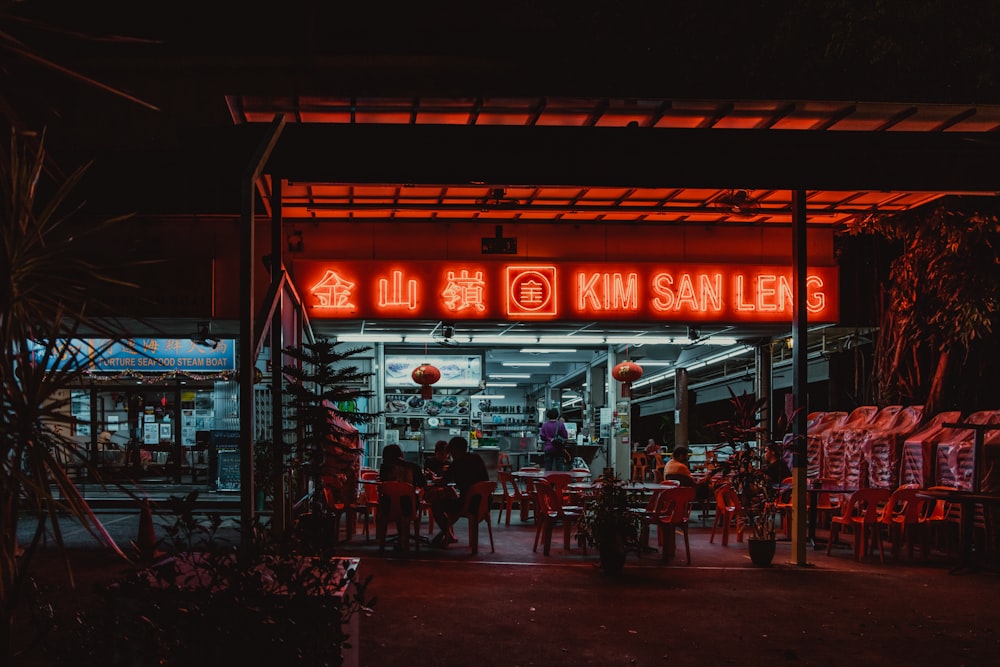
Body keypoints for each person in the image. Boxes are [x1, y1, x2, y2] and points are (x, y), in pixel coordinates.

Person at [429, 436, 488, 546]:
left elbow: (443, 482)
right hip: (485, 502)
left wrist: (433, 479)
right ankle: (447, 534)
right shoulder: (476, 458)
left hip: (468, 504)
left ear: (455, 450)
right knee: (454, 500)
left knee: (436, 505)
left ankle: (447, 534)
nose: (450, 454)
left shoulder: (457, 463)